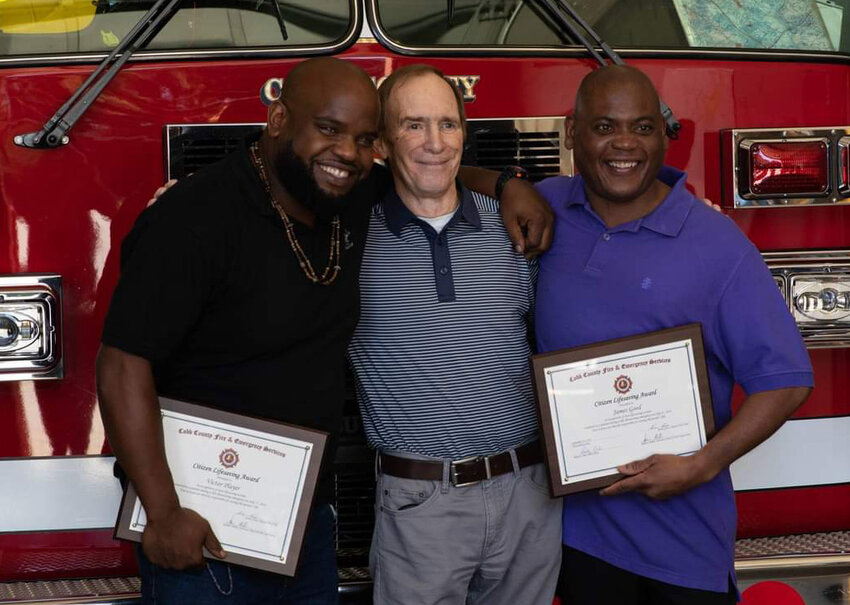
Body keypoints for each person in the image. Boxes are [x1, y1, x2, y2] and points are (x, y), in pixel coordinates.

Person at [96, 57, 552, 604]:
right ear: (279, 119)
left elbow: (428, 170)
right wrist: (164, 511)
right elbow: (121, 364)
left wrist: (507, 184)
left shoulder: (350, 194)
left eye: (362, 139)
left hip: (305, 520)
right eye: (329, 130)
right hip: (203, 518)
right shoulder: (193, 218)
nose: (346, 153)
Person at [534, 65, 813, 605]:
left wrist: (700, 465)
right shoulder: (547, 209)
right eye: (604, 127)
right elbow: (455, 183)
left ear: (664, 135)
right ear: (572, 133)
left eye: (642, 128)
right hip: (576, 541)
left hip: (682, 551)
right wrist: (504, 186)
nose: (624, 144)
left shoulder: (717, 244)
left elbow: (786, 381)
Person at [347, 64, 561, 605]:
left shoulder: (517, 228)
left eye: (448, 124)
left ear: (465, 134)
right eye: (414, 125)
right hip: (420, 507)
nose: (435, 143)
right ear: (382, 144)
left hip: (529, 497)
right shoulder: (350, 243)